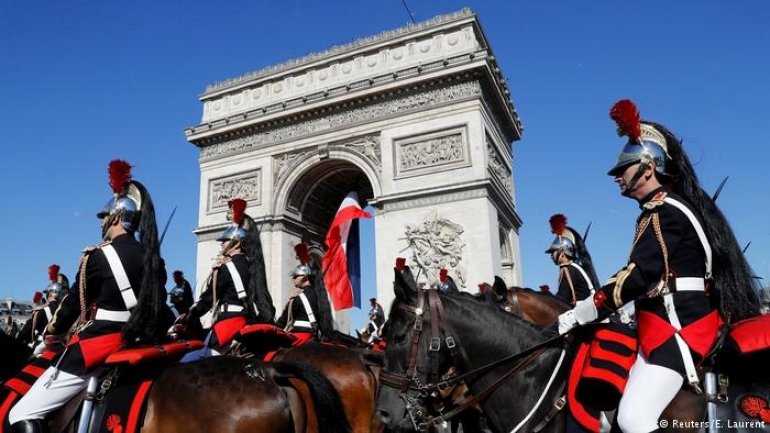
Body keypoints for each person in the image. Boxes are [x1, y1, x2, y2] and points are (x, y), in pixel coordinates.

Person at [556, 100, 760, 433]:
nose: (617, 176)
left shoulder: (665, 212)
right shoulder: (662, 210)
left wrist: (584, 311)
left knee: (634, 419)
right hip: (658, 326)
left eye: (624, 168)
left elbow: (639, 276)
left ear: (648, 167)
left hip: (680, 328)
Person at [9, 159, 168, 433]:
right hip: (142, 339)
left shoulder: (97, 256)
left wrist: (52, 333)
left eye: (105, 217)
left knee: (22, 412)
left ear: (116, 217)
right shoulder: (153, 257)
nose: (103, 222)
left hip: (102, 343)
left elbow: (73, 306)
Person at [179, 198, 275, 361]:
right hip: (244, 321)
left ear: (236, 243)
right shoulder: (252, 266)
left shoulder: (225, 268)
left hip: (227, 323)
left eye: (224, 240)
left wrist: (190, 315)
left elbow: (208, 299)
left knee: (188, 360)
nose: (221, 244)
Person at [545, 214, 601, 306]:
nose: (551, 256)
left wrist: (545, 298)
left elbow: (562, 299)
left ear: (562, 253)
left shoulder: (570, 270)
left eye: (553, 252)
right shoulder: (575, 267)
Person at [18, 265, 67, 355]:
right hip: (61, 351)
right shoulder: (66, 310)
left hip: (41, 350)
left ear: (49, 293)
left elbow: (25, 332)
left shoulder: (42, 311)